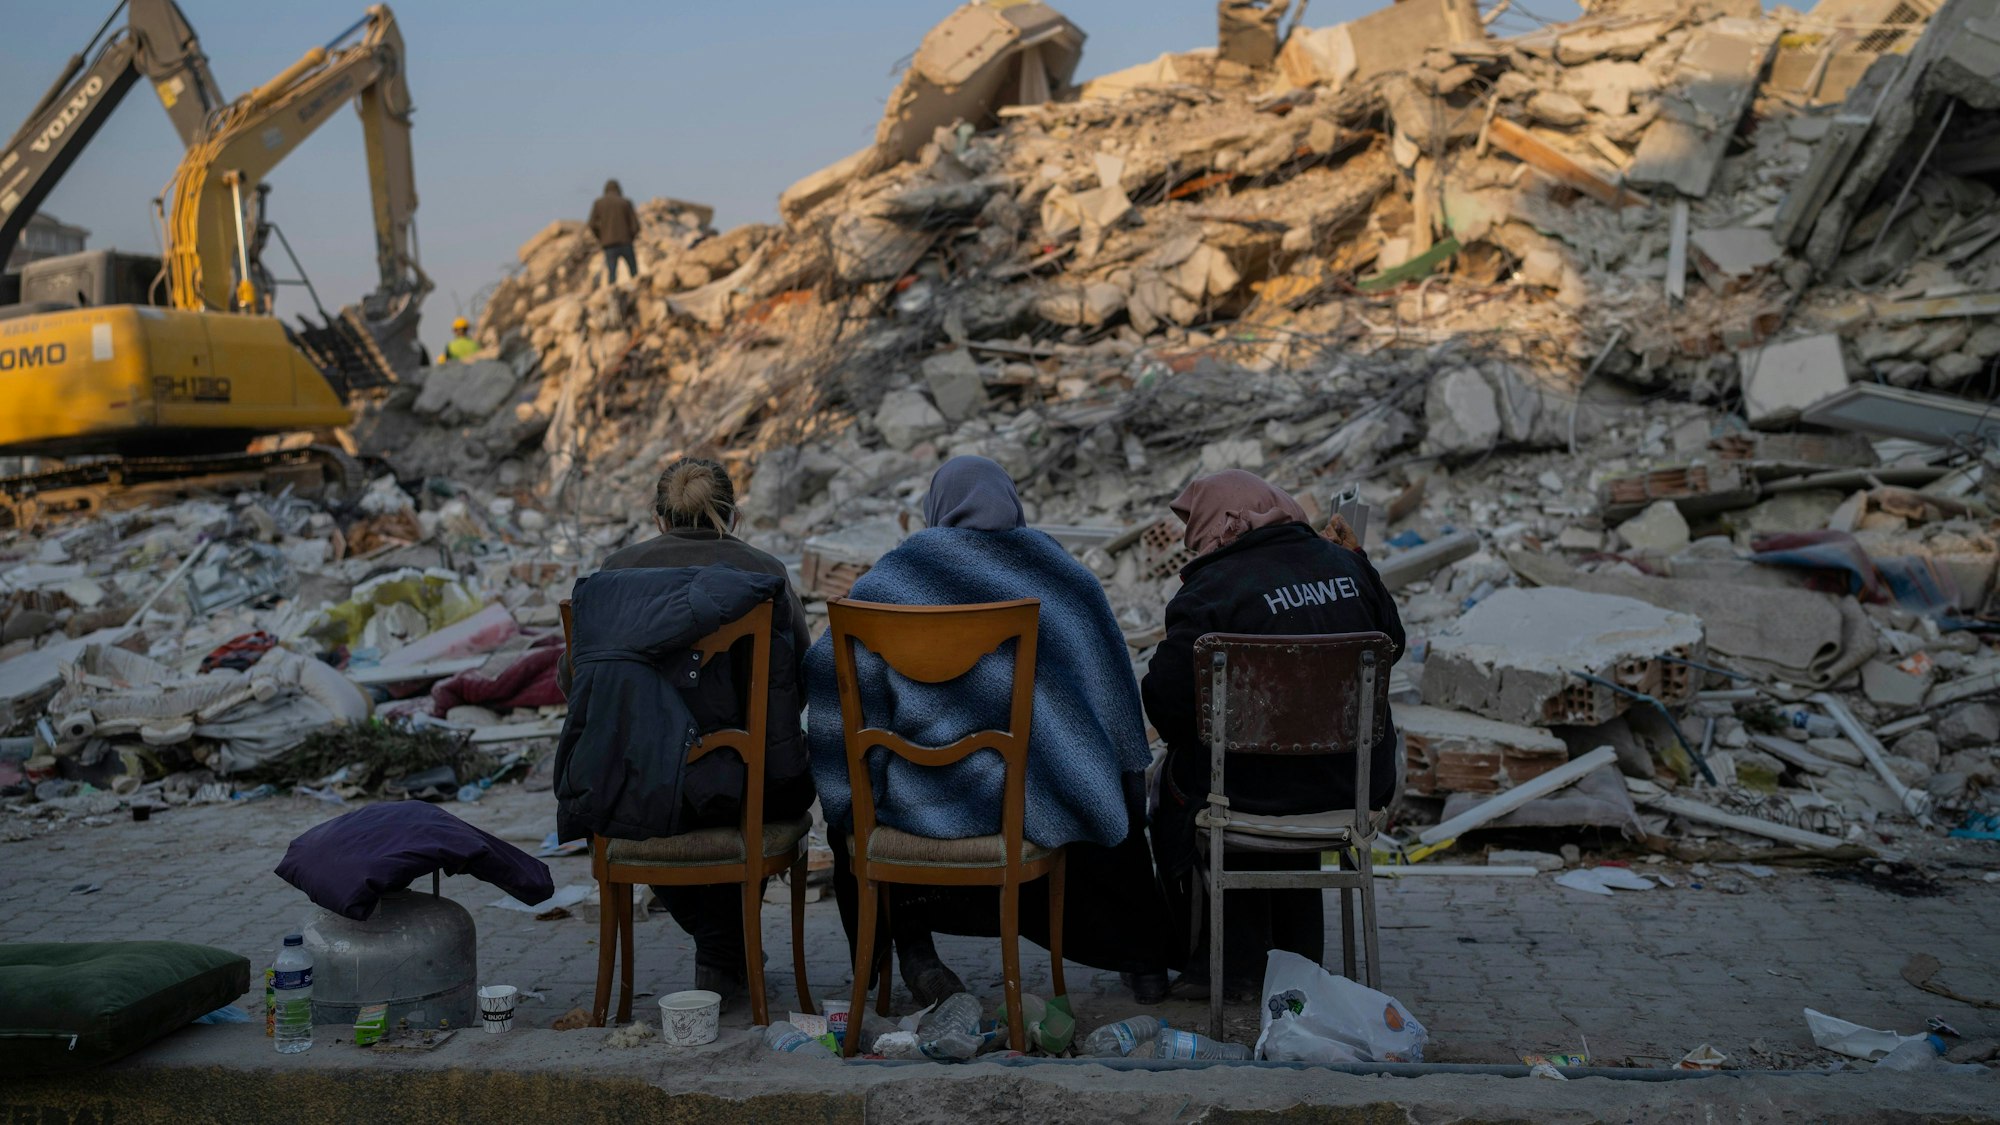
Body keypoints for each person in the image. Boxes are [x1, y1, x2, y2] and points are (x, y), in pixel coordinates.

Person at [804, 456, 1174, 1006]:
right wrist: (1118, 772)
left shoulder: (890, 582)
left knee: (850, 811)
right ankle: (1143, 961)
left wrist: (851, 794)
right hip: (1031, 802)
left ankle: (914, 951)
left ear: (937, 507)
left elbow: (829, 676)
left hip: (921, 804)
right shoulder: (1062, 577)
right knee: (1102, 793)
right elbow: (1111, 690)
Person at [1141, 470, 1405, 1000]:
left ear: (1220, 524)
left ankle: (1224, 963)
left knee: (1178, 780)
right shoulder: (1349, 565)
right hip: (1348, 789)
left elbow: (1164, 700)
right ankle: (1298, 955)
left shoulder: (1211, 590)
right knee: (1275, 774)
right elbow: (1392, 643)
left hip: (1245, 794)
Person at [557, 458, 813, 1000]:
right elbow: (803, 675)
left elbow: (574, 680)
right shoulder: (764, 572)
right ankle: (724, 950)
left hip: (640, 792)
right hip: (748, 791)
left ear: (657, 518)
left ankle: (721, 951)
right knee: (743, 786)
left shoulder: (615, 575)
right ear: (733, 516)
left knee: (642, 793)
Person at [588, 178, 640, 285]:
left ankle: (613, 296)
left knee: (612, 274)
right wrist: (631, 237)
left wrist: (601, 237)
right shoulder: (625, 203)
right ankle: (637, 292)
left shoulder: (599, 203)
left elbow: (591, 224)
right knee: (634, 272)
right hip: (626, 242)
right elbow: (635, 225)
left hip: (609, 244)